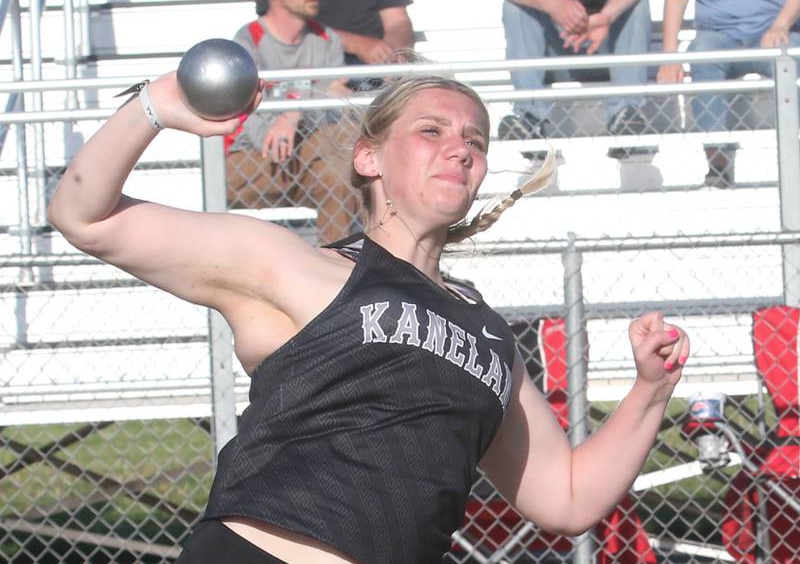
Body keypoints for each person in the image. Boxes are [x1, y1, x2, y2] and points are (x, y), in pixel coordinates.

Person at [47, 67, 691, 563]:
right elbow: (85, 215)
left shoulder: (490, 337)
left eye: (475, 140)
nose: (460, 149)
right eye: (431, 131)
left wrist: (650, 391)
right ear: (369, 157)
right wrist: (155, 106)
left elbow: (567, 497)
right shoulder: (297, 268)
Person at [226, 0, 361, 243]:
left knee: (340, 174)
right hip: (250, 161)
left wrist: (294, 113)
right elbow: (255, 128)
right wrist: (316, 95)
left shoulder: (326, 39)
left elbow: (332, 114)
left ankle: (334, 264)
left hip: (307, 156)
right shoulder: (248, 40)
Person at [657, 0, 800, 188]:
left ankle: (793, 155)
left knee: (790, 57)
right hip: (718, 35)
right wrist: (669, 56)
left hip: (775, 30)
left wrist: (781, 24)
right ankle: (717, 162)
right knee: (703, 53)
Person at [500, 0, 651, 139]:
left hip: (607, 49)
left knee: (637, 4)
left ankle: (625, 115)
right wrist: (553, 5)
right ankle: (529, 118)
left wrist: (607, 16)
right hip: (553, 53)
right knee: (515, 7)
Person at [316, 0, 415, 90]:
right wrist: (357, 44)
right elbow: (301, 26)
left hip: (377, 74)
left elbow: (398, 22)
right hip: (316, 70)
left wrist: (394, 54)